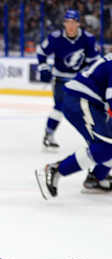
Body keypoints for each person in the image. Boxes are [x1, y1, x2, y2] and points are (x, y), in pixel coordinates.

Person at [35, 54, 112, 199]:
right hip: (80, 100)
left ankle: (96, 179)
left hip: (89, 102)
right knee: (105, 147)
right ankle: (54, 170)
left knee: (107, 146)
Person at [36, 9, 100, 152]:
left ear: (78, 24)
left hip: (80, 81)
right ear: (64, 23)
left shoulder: (88, 39)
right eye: (68, 22)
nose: (70, 25)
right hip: (60, 79)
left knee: (88, 110)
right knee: (60, 106)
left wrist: (89, 75)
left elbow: (94, 61)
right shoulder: (55, 37)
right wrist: (43, 67)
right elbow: (41, 52)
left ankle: (94, 140)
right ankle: (49, 135)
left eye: (73, 22)